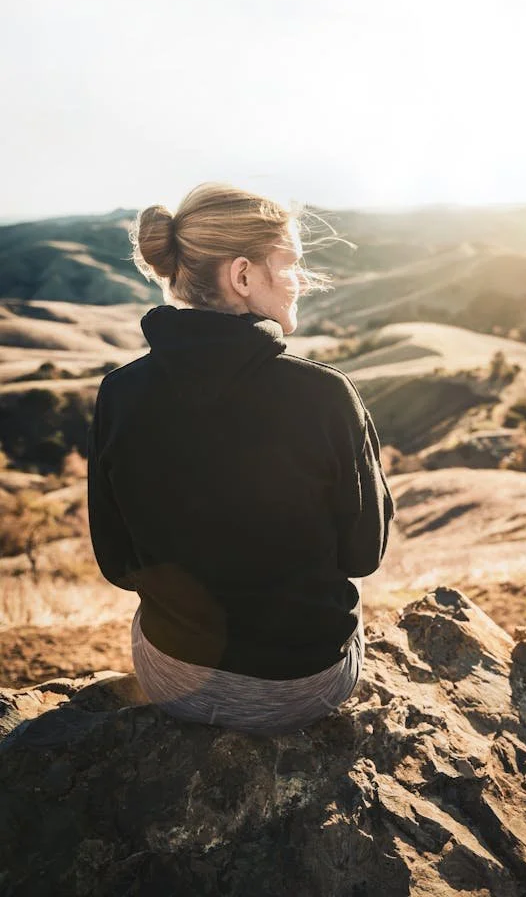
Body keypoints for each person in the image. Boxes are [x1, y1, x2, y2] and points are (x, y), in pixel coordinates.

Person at [87, 181, 395, 736]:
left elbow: (116, 564)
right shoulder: (324, 395)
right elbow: (363, 555)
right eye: (292, 263)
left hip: (171, 678)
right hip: (303, 686)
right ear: (243, 276)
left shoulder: (120, 392)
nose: (301, 279)